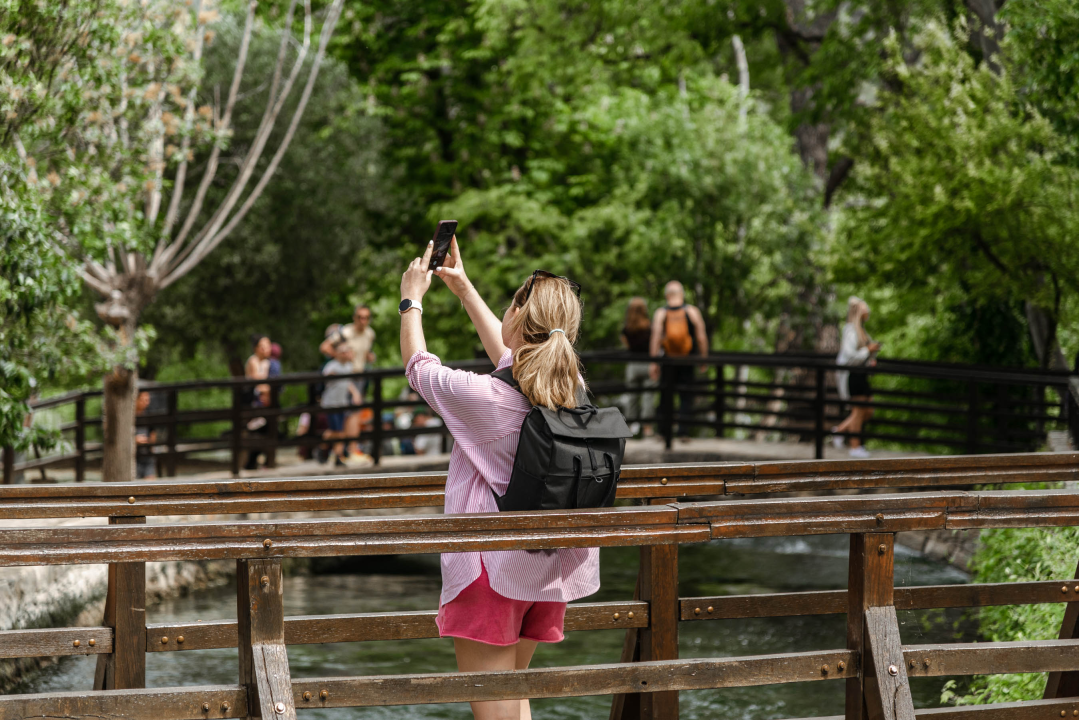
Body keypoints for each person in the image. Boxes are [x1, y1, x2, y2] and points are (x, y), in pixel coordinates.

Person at [402, 236, 598, 720]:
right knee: (514, 700)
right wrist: (465, 289)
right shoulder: (570, 389)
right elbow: (511, 360)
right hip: (546, 569)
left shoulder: (485, 398)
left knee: (495, 712)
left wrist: (411, 300)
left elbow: (418, 368)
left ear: (518, 317)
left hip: (490, 571)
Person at [649, 281, 709, 438]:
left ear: (667, 295)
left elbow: (656, 338)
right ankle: (683, 432)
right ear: (681, 294)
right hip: (687, 360)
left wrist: (653, 362)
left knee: (665, 396)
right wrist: (703, 358)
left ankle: (663, 432)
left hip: (668, 361)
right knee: (686, 396)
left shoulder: (661, 313)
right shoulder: (692, 311)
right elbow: (701, 337)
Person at [833, 296, 880, 458]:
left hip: (862, 374)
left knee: (868, 410)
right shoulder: (850, 330)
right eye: (865, 309)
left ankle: (839, 431)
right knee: (858, 412)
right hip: (854, 375)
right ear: (859, 312)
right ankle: (855, 447)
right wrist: (868, 350)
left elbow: (861, 354)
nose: (868, 312)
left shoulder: (861, 330)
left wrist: (870, 358)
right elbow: (850, 355)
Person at [321, 342, 363, 467]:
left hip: (342, 402)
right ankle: (322, 447)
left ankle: (337, 456)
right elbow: (325, 378)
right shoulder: (331, 366)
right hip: (331, 403)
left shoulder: (348, 366)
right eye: (343, 352)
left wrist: (355, 393)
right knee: (338, 431)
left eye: (347, 351)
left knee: (340, 430)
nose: (345, 354)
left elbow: (348, 382)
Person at [621, 297, 656, 436]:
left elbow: (627, 345)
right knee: (648, 397)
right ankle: (647, 428)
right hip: (648, 365)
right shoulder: (650, 327)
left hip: (633, 366)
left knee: (632, 397)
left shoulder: (626, 329)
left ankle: (630, 427)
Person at [243, 335, 272, 470]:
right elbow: (258, 381)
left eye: (268, 345)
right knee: (260, 428)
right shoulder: (253, 360)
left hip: (262, 402)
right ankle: (253, 461)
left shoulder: (266, 363)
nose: (266, 349)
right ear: (256, 348)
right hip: (252, 403)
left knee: (266, 428)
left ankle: (256, 460)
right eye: (263, 346)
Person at [135, 390, 157, 480]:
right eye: (143, 400)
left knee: (150, 480)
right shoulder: (129, 417)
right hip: (133, 456)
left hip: (147, 454)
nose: (146, 403)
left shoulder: (149, 415)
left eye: (147, 400)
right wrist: (134, 440)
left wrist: (150, 444)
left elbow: (153, 433)